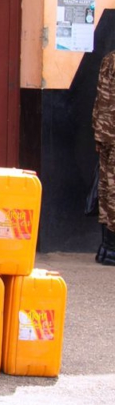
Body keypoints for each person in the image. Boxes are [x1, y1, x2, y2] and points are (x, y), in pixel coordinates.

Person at [92, 50, 115, 265]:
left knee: (108, 189)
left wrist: (98, 132)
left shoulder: (109, 59)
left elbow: (100, 96)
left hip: (105, 132)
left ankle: (107, 249)